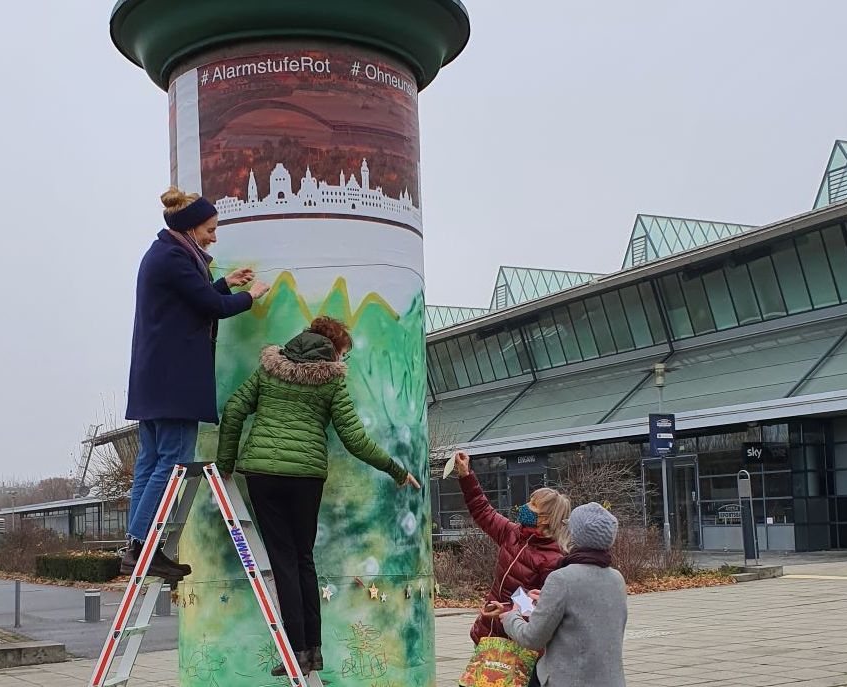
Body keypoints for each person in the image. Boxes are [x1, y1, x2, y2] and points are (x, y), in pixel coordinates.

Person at [216, 316, 421, 677]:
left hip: (264, 475)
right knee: (303, 560)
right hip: (306, 479)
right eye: (343, 353)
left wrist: (225, 464)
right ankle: (313, 651)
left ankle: (295, 650)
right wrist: (396, 470)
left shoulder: (269, 369)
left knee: (283, 562)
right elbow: (354, 439)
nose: (343, 360)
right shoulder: (331, 382)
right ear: (333, 347)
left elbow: (234, 410)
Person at [123, 186, 270, 581]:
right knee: (170, 462)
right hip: (174, 384)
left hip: (154, 381)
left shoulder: (164, 255)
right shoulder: (173, 258)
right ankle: (143, 545)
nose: (214, 236)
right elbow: (210, 306)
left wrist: (226, 283)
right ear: (189, 228)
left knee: (151, 461)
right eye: (209, 228)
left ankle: (137, 546)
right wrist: (250, 296)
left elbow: (196, 298)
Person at [452, 451, 571, 675]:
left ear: (545, 518)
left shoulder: (554, 559)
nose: (526, 506)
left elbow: (542, 607)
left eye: (533, 505)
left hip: (518, 641)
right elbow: (482, 510)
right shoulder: (512, 533)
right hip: (489, 633)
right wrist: (466, 475)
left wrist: (505, 610)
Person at [493, 503, 628, 687]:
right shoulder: (616, 579)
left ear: (574, 536)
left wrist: (511, 617)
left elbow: (532, 638)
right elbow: (588, 617)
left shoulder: (561, 579)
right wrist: (548, 600)